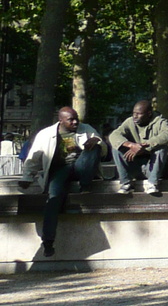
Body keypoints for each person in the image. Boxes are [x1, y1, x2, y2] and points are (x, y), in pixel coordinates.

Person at [22, 107, 106, 257]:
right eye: (70, 120)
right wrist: (27, 177)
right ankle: (48, 242)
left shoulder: (86, 129)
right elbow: (34, 158)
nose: (75, 122)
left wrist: (96, 142)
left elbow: (104, 151)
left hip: (81, 168)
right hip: (59, 169)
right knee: (53, 200)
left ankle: (85, 186)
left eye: (76, 119)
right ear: (60, 120)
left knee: (95, 146)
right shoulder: (46, 134)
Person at [107, 100, 168, 195]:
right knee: (116, 147)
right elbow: (114, 135)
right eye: (133, 113)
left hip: (152, 167)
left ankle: (152, 183)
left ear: (149, 113)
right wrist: (131, 145)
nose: (135, 116)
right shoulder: (129, 121)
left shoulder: (160, 122)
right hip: (134, 165)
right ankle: (126, 183)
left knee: (162, 148)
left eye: (139, 114)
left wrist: (145, 146)